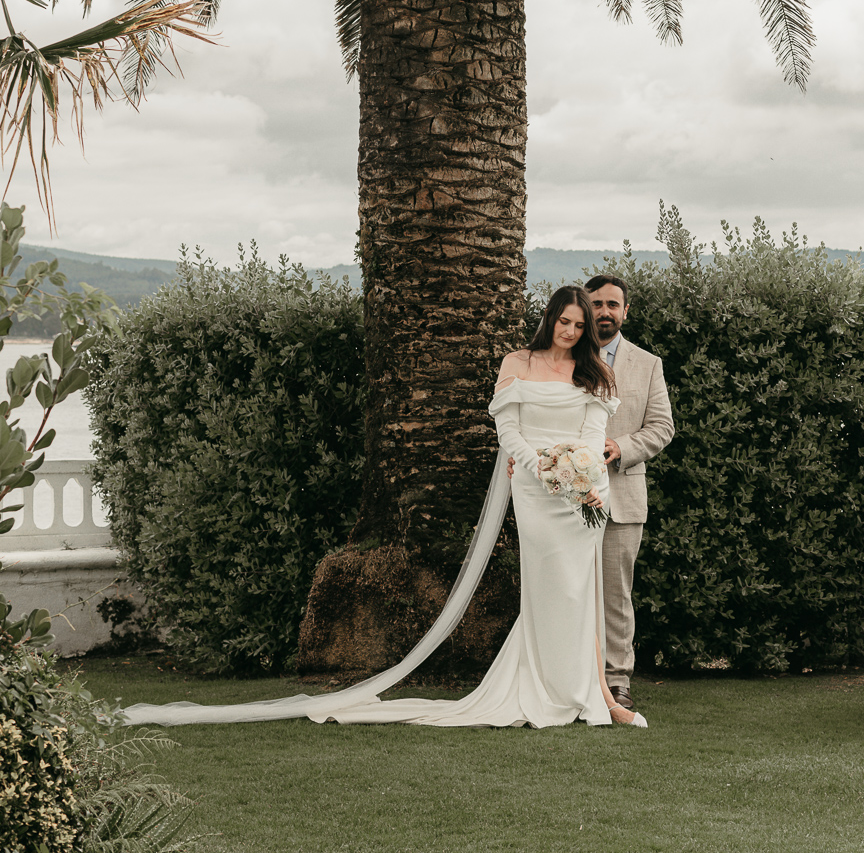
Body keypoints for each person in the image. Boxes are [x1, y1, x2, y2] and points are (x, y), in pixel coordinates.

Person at [121, 287, 647, 730]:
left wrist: (583, 481)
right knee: (544, 590)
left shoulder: (595, 374)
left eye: (579, 325)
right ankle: (547, 688)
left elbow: (592, 435)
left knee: (583, 591)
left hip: (581, 498)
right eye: (565, 321)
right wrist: (541, 470)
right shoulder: (518, 363)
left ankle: (593, 694)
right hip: (536, 492)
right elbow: (508, 431)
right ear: (550, 319)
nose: (572, 331)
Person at [583, 274, 675, 711]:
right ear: (586, 307)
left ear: (625, 311)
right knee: (567, 588)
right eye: (596, 304)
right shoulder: (565, 355)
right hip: (567, 497)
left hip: (621, 495)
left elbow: (662, 427)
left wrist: (622, 447)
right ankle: (571, 676)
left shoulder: (648, 363)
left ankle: (617, 681)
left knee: (616, 595)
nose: (604, 311)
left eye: (612, 305)